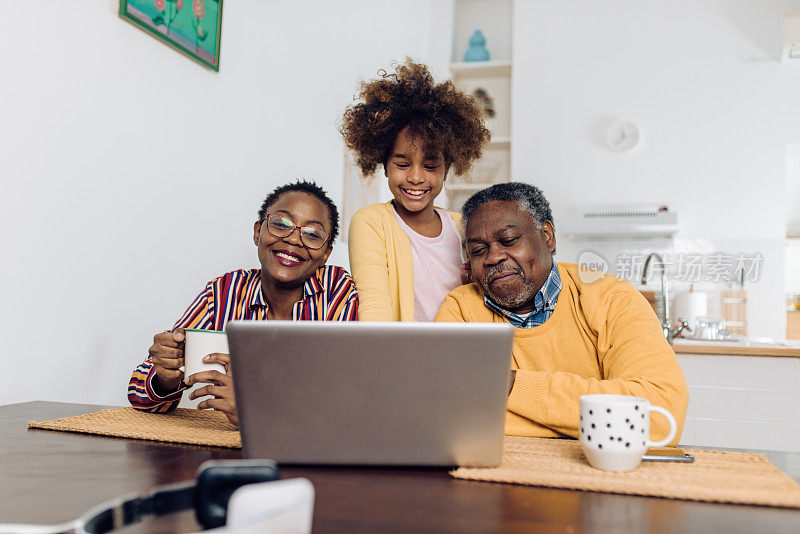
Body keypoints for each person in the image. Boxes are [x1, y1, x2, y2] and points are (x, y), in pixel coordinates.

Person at [435, 182, 689, 445]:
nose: (493, 257)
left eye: (509, 240)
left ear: (547, 236)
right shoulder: (461, 308)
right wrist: (592, 423)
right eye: (478, 250)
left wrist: (507, 384)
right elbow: (442, 417)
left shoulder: (613, 298)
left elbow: (660, 418)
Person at [128, 180, 359, 425]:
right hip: (227, 455)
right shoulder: (224, 292)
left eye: (312, 234)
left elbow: (350, 403)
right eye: (281, 224)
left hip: (311, 457)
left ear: (326, 254)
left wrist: (254, 409)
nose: (293, 240)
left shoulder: (341, 294)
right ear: (258, 232)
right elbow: (138, 393)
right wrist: (165, 377)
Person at [341, 58, 490, 321]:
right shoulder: (371, 223)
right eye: (402, 164)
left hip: (459, 355)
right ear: (384, 164)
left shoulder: (464, 227)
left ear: (447, 169)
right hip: (400, 357)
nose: (416, 177)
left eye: (430, 166)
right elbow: (374, 307)